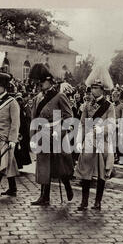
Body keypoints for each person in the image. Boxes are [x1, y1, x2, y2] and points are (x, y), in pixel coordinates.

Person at [29, 63, 74, 206]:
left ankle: (67, 185)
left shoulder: (60, 97)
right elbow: (34, 119)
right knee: (43, 166)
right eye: (39, 82)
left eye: (42, 82)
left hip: (56, 134)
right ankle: (44, 196)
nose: (40, 85)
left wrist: (60, 133)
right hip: (42, 135)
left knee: (60, 166)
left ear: (50, 82)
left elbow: (68, 117)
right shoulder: (37, 98)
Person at [75, 68, 115, 211]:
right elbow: (82, 123)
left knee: (101, 172)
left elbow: (111, 124)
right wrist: (79, 140)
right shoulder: (87, 105)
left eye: (96, 87)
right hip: (89, 140)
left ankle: (98, 201)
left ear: (102, 90)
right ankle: (84, 201)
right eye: (92, 87)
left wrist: (101, 129)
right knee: (85, 170)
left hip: (102, 141)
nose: (93, 90)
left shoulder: (109, 106)